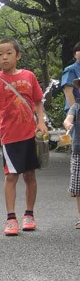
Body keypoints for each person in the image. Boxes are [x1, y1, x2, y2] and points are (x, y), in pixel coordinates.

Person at [0, 37, 48, 236]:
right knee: (11, 176)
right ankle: (11, 218)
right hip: (9, 136)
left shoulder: (29, 76)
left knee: (30, 175)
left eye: (9, 53)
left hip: (30, 134)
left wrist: (41, 121)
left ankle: (29, 215)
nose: (4, 57)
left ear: (17, 55)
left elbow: (38, 102)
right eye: (0, 54)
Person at [63, 77, 80, 229]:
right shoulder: (76, 106)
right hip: (78, 150)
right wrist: (68, 123)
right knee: (79, 189)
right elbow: (69, 118)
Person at [60, 41, 80, 113]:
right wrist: (74, 112)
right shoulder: (71, 69)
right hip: (76, 110)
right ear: (75, 54)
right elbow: (68, 92)